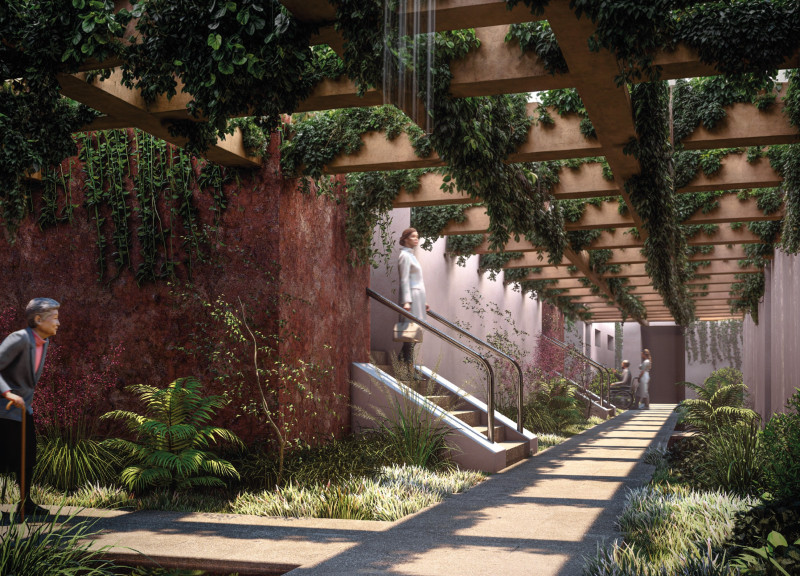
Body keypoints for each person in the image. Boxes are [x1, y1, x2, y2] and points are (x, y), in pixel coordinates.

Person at [0, 298, 60, 518]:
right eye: (54, 318)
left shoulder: (42, 342)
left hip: (23, 411)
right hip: (3, 410)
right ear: (38, 319)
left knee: (27, 457)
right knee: (5, 456)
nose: (58, 323)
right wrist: (7, 392)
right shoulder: (18, 339)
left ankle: (25, 503)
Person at [397, 228, 429, 366]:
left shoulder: (412, 256)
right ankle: (408, 365)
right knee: (410, 331)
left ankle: (402, 359)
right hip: (411, 297)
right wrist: (406, 301)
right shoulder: (404, 256)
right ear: (405, 239)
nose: (416, 239)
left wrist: (424, 301)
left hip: (418, 296)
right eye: (413, 236)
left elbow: (418, 279)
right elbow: (404, 279)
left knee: (415, 332)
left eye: (418, 236)